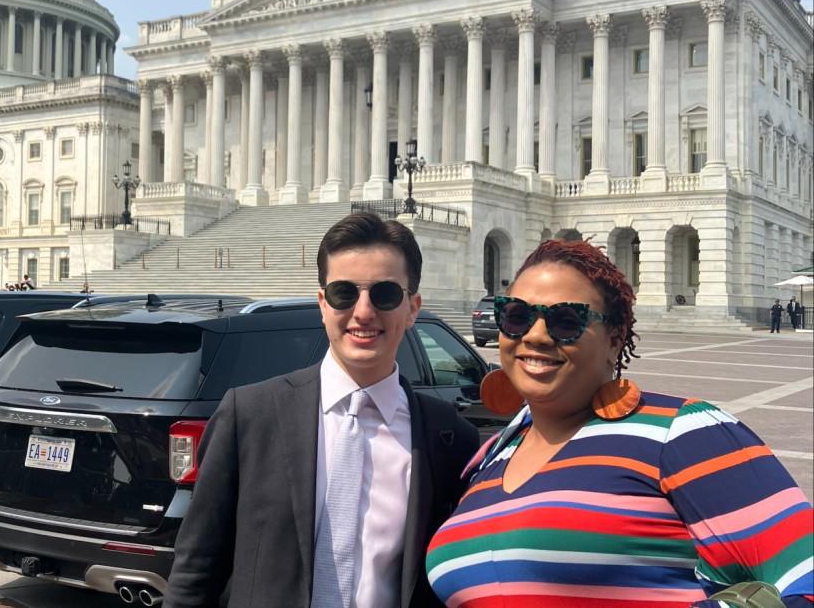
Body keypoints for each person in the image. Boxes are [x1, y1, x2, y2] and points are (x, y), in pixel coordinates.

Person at [426, 240, 814, 607]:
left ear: (615, 339)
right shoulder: (489, 458)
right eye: (516, 316)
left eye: (565, 321)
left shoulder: (682, 433)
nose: (536, 335)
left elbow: (806, 577)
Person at [165, 212, 479, 608]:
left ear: (412, 308)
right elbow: (196, 570)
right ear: (322, 304)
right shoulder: (249, 416)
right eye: (344, 293)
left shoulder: (448, 438)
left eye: (384, 294)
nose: (363, 312)